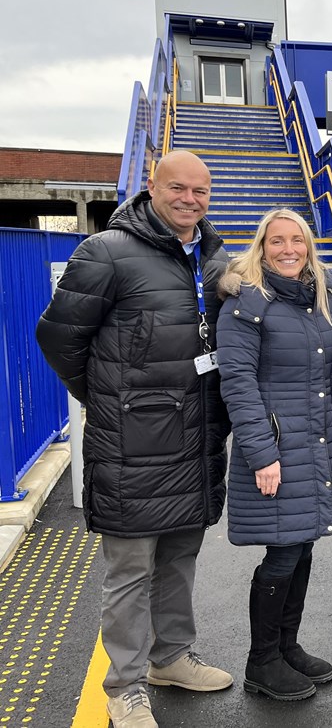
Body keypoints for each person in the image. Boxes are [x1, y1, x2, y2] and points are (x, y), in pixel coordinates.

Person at [36, 150, 232, 728]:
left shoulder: (215, 256)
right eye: (178, 188)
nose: (190, 200)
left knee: (180, 559)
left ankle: (170, 658)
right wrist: (108, 398)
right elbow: (59, 338)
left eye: (200, 191)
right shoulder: (106, 252)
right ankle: (123, 686)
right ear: (153, 186)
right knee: (130, 571)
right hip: (132, 445)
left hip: (195, 439)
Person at [215, 208, 332, 701]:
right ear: (261, 247)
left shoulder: (318, 299)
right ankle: (261, 662)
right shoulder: (245, 302)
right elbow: (238, 383)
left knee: (302, 542)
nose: (289, 249)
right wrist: (260, 454)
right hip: (275, 448)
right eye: (277, 241)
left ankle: (286, 647)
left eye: (297, 240)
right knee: (284, 551)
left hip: (314, 443)